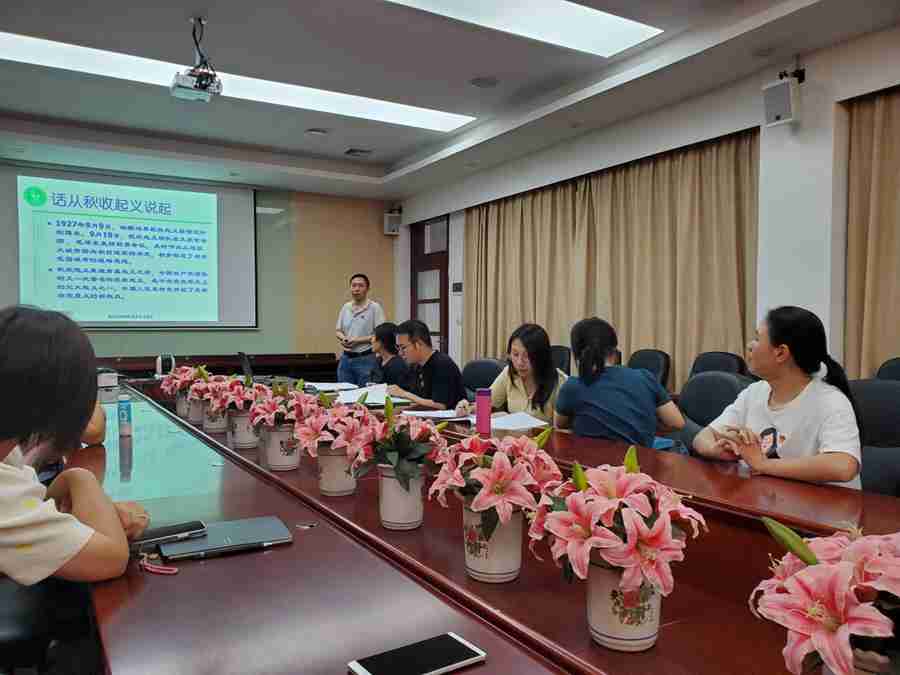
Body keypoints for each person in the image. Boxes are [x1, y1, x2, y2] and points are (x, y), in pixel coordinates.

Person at [0, 306, 148, 672]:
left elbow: (29, 503)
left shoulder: (8, 448)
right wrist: (81, 480)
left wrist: (81, 505)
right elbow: (111, 558)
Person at [693, 306, 861, 488]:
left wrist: (763, 464)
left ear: (781, 353)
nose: (750, 345)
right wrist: (714, 450)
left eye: (757, 339)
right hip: (765, 497)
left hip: (822, 504)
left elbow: (844, 466)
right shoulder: (755, 392)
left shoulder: (831, 401)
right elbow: (703, 436)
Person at [554, 318, 684, 446]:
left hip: (590, 459)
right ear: (615, 350)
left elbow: (560, 424)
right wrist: (644, 424)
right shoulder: (645, 377)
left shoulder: (572, 386)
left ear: (577, 354)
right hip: (639, 458)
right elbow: (677, 423)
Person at [454, 323, 567, 423]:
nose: (520, 362)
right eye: (515, 354)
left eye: (527, 356)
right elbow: (486, 404)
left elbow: (562, 431)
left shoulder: (561, 382)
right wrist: (467, 408)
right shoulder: (509, 373)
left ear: (541, 357)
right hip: (514, 439)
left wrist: (508, 418)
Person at [388, 320, 465, 410]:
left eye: (403, 347)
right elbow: (417, 401)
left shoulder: (442, 364)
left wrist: (404, 394)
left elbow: (440, 405)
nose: (400, 353)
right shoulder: (415, 366)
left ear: (418, 344)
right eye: (398, 348)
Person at [335, 273, 385, 386]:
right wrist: (344, 339)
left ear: (367, 289)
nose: (356, 289)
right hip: (345, 359)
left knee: (365, 393)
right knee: (343, 393)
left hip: (366, 358)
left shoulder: (374, 307)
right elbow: (338, 330)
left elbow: (380, 334)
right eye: (353, 285)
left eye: (360, 286)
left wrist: (357, 340)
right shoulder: (346, 307)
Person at [369, 322, 412, 388]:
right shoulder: (379, 360)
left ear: (382, 341)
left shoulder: (397, 365)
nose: (371, 341)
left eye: (373, 337)